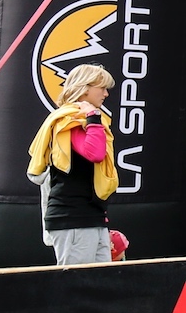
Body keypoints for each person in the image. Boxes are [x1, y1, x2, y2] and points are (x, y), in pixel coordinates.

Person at [27, 63, 119, 266]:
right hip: (73, 217)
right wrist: (93, 118)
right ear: (85, 88)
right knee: (78, 283)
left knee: (102, 281)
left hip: (91, 215)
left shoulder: (82, 118)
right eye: (102, 88)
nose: (106, 94)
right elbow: (95, 154)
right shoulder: (69, 120)